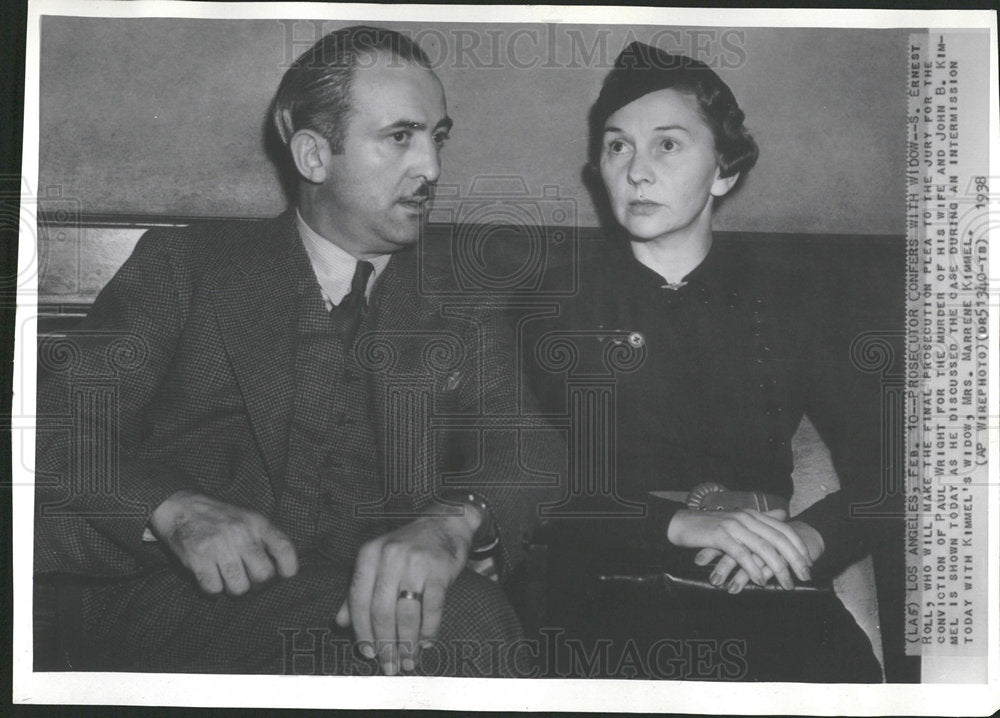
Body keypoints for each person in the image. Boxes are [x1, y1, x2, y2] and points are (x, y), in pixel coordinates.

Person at [34, 26, 560, 677]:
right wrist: (172, 510)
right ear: (314, 155)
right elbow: (55, 429)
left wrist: (452, 526)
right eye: (401, 136)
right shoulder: (186, 268)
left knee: (455, 620)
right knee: (464, 625)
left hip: (367, 603)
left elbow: (530, 448)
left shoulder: (458, 297)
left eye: (438, 136)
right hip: (186, 611)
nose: (433, 168)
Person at [524, 42, 891, 681]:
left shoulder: (800, 300)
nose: (637, 170)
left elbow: (897, 473)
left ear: (723, 171)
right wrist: (676, 524)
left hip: (772, 584)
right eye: (617, 146)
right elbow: (530, 476)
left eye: (667, 145)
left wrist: (808, 538)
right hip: (607, 590)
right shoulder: (553, 304)